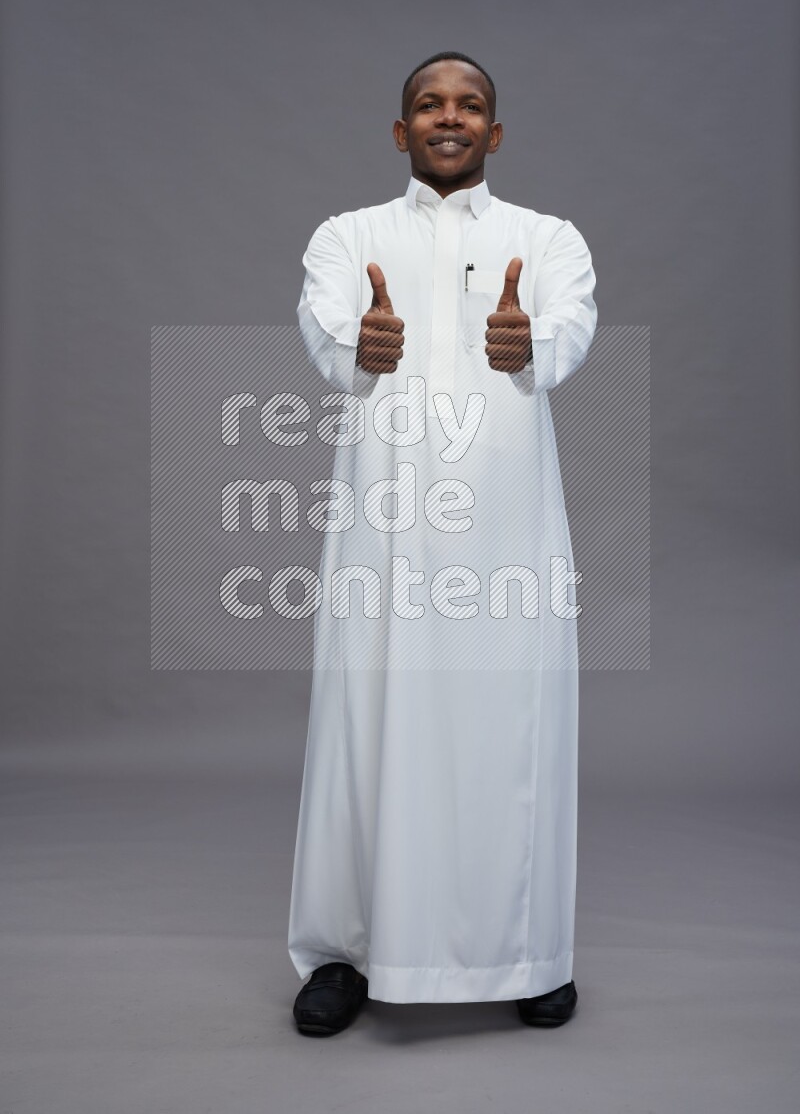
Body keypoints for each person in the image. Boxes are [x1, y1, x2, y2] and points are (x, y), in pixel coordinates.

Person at [288, 52, 597, 1035]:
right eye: (428, 104)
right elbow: (326, 325)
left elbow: (570, 327)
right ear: (400, 131)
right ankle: (343, 952)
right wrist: (358, 347)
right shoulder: (348, 236)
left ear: (494, 134)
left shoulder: (546, 240)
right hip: (382, 531)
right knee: (362, 724)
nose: (448, 117)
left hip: (504, 537)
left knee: (511, 729)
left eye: (468, 106)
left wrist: (528, 347)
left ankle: (528, 950)